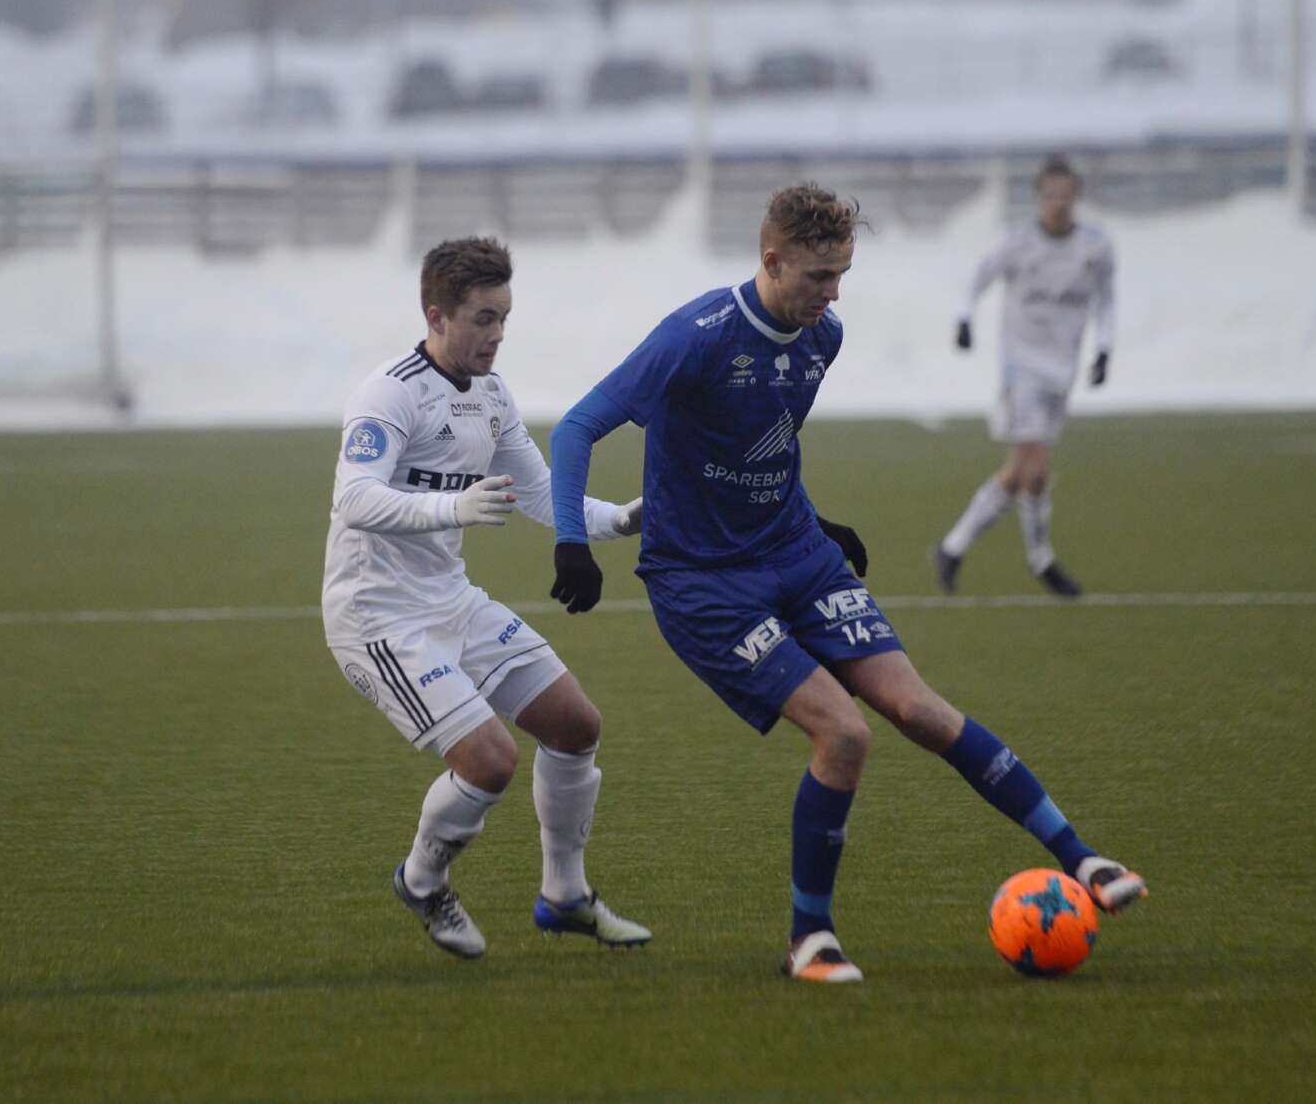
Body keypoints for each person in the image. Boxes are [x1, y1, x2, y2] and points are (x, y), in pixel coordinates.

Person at [546, 185, 1144, 983]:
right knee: (845, 734)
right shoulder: (696, 336)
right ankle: (810, 938)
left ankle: (1082, 858)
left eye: (842, 276)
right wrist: (571, 543)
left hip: (796, 553)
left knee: (920, 710)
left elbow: (768, 445)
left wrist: (814, 521)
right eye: (819, 276)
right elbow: (577, 426)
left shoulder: (820, 337)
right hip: (704, 582)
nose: (832, 295)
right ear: (771, 261)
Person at [322, 236, 651, 960]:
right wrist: (452, 507)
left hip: (452, 601)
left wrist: (617, 521)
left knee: (574, 725)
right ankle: (422, 880)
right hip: (378, 618)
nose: (497, 334)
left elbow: (538, 492)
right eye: (482, 318)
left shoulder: (492, 396)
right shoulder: (389, 393)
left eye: (503, 317)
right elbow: (354, 498)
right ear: (436, 316)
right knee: (491, 760)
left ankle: (565, 895)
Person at [934, 155, 1116, 598]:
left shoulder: (1095, 248)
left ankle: (952, 548)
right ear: (1038, 197)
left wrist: (1104, 349)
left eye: (1065, 195)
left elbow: (1106, 301)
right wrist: (963, 318)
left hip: (1061, 372)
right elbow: (978, 277)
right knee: (1035, 470)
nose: (1058, 203)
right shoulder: (1017, 242)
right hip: (1022, 370)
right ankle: (1041, 559)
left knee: (1019, 474)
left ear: (1076, 197)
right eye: (1050, 195)